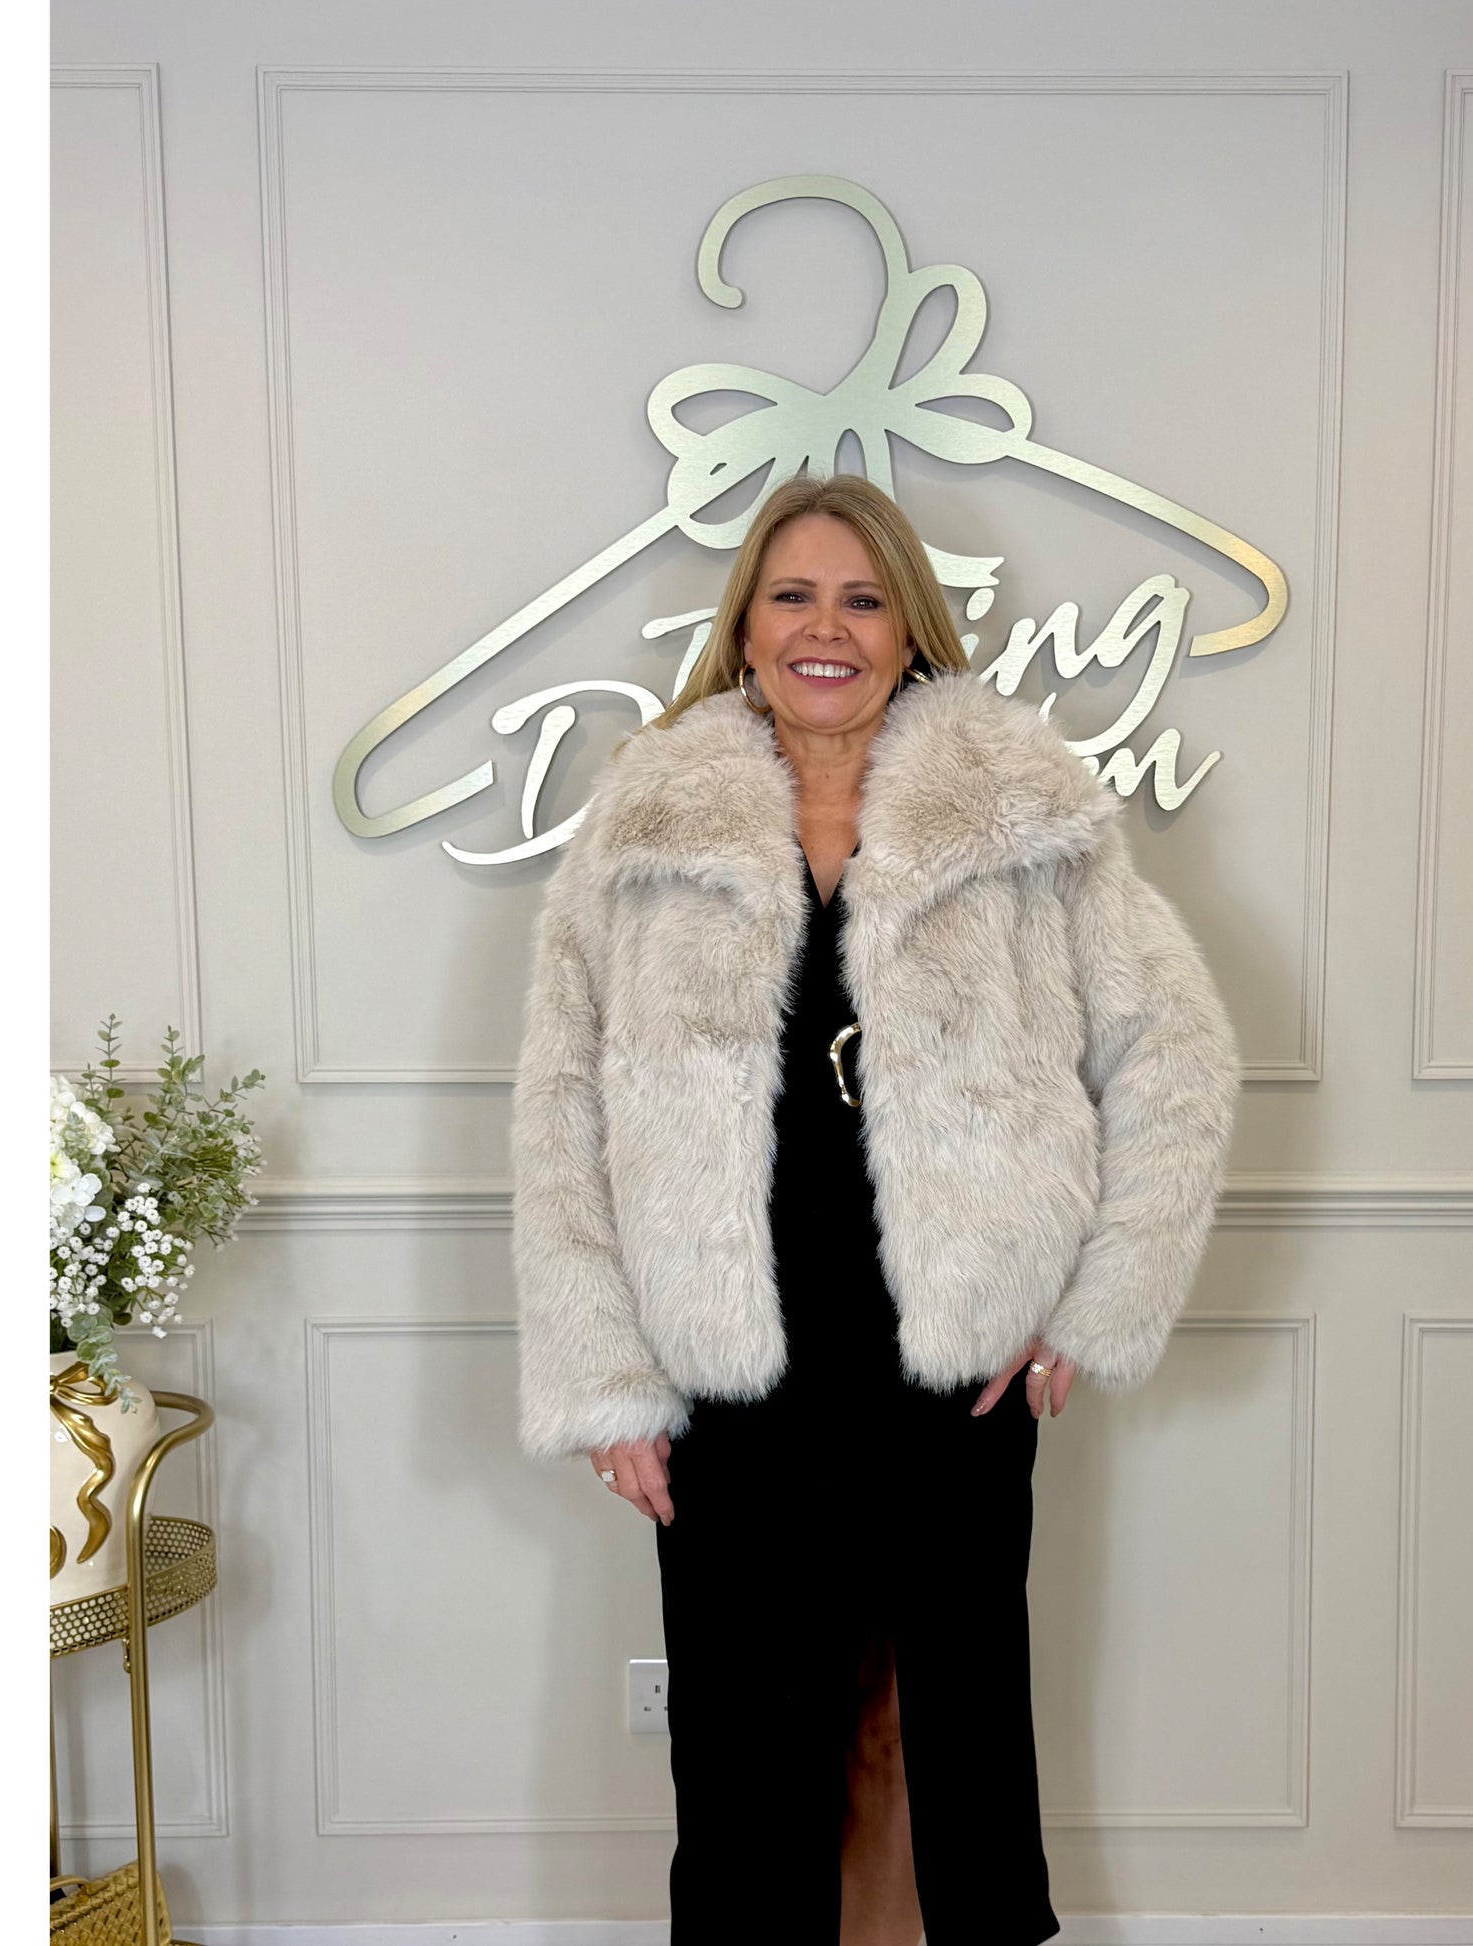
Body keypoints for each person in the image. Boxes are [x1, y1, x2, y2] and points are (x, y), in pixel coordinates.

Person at [511, 472, 1242, 1945]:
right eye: (792, 596)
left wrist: (1092, 1304)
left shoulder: (1021, 809)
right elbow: (561, 1108)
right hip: (727, 1358)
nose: (824, 629)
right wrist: (605, 1381)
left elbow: (1179, 1054)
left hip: (946, 1362)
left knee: (958, 1733)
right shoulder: (645, 823)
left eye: (861, 598)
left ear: (910, 627)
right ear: (745, 625)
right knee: (741, 1746)